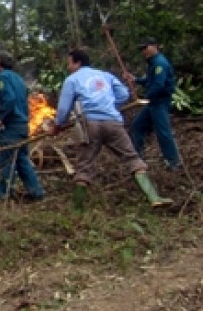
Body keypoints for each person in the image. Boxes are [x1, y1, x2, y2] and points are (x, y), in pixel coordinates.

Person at [51, 48, 172, 210]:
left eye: (69, 63)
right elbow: (123, 94)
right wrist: (108, 105)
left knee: (85, 165)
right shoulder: (105, 76)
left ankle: (77, 211)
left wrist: (58, 125)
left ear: (77, 63)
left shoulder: (72, 80)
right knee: (132, 158)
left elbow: (64, 109)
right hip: (113, 122)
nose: (68, 67)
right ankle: (153, 197)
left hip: (89, 124)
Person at [0, 51, 45, 203]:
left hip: (12, 127)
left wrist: (0, 118)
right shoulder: (19, 79)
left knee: (7, 161)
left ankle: (3, 196)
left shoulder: (2, 77)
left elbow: (9, 99)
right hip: (23, 124)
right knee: (22, 160)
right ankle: (37, 193)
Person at [124, 37, 181, 170]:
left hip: (160, 102)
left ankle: (173, 161)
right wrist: (135, 80)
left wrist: (146, 96)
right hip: (152, 103)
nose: (144, 51)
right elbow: (150, 80)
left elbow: (159, 85)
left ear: (154, 46)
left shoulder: (159, 63)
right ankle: (138, 158)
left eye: (146, 47)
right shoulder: (152, 63)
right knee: (137, 127)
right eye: (142, 49)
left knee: (163, 132)